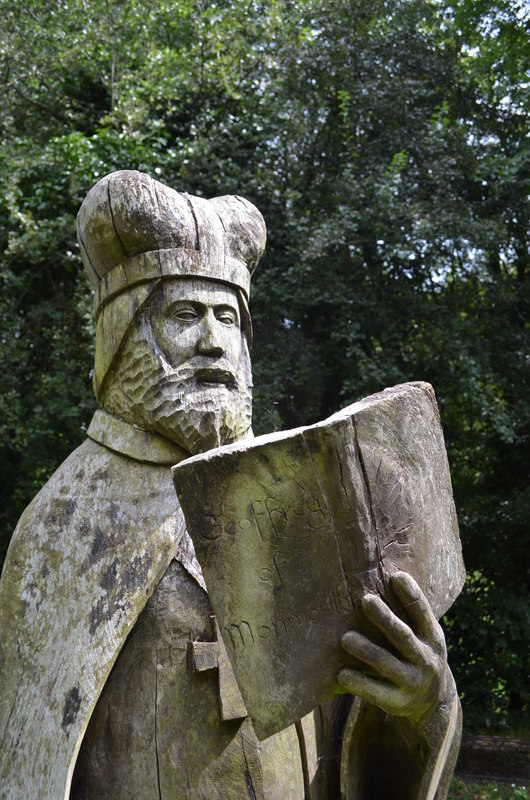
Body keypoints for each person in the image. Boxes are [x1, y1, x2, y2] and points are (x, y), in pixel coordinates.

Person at [0, 170, 461, 800]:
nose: (216, 343)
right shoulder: (67, 527)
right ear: (124, 332)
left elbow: (356, 718)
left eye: (228, 317)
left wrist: (421, 702)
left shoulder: (296, 500)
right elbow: (32, 755)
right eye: (186, 315)